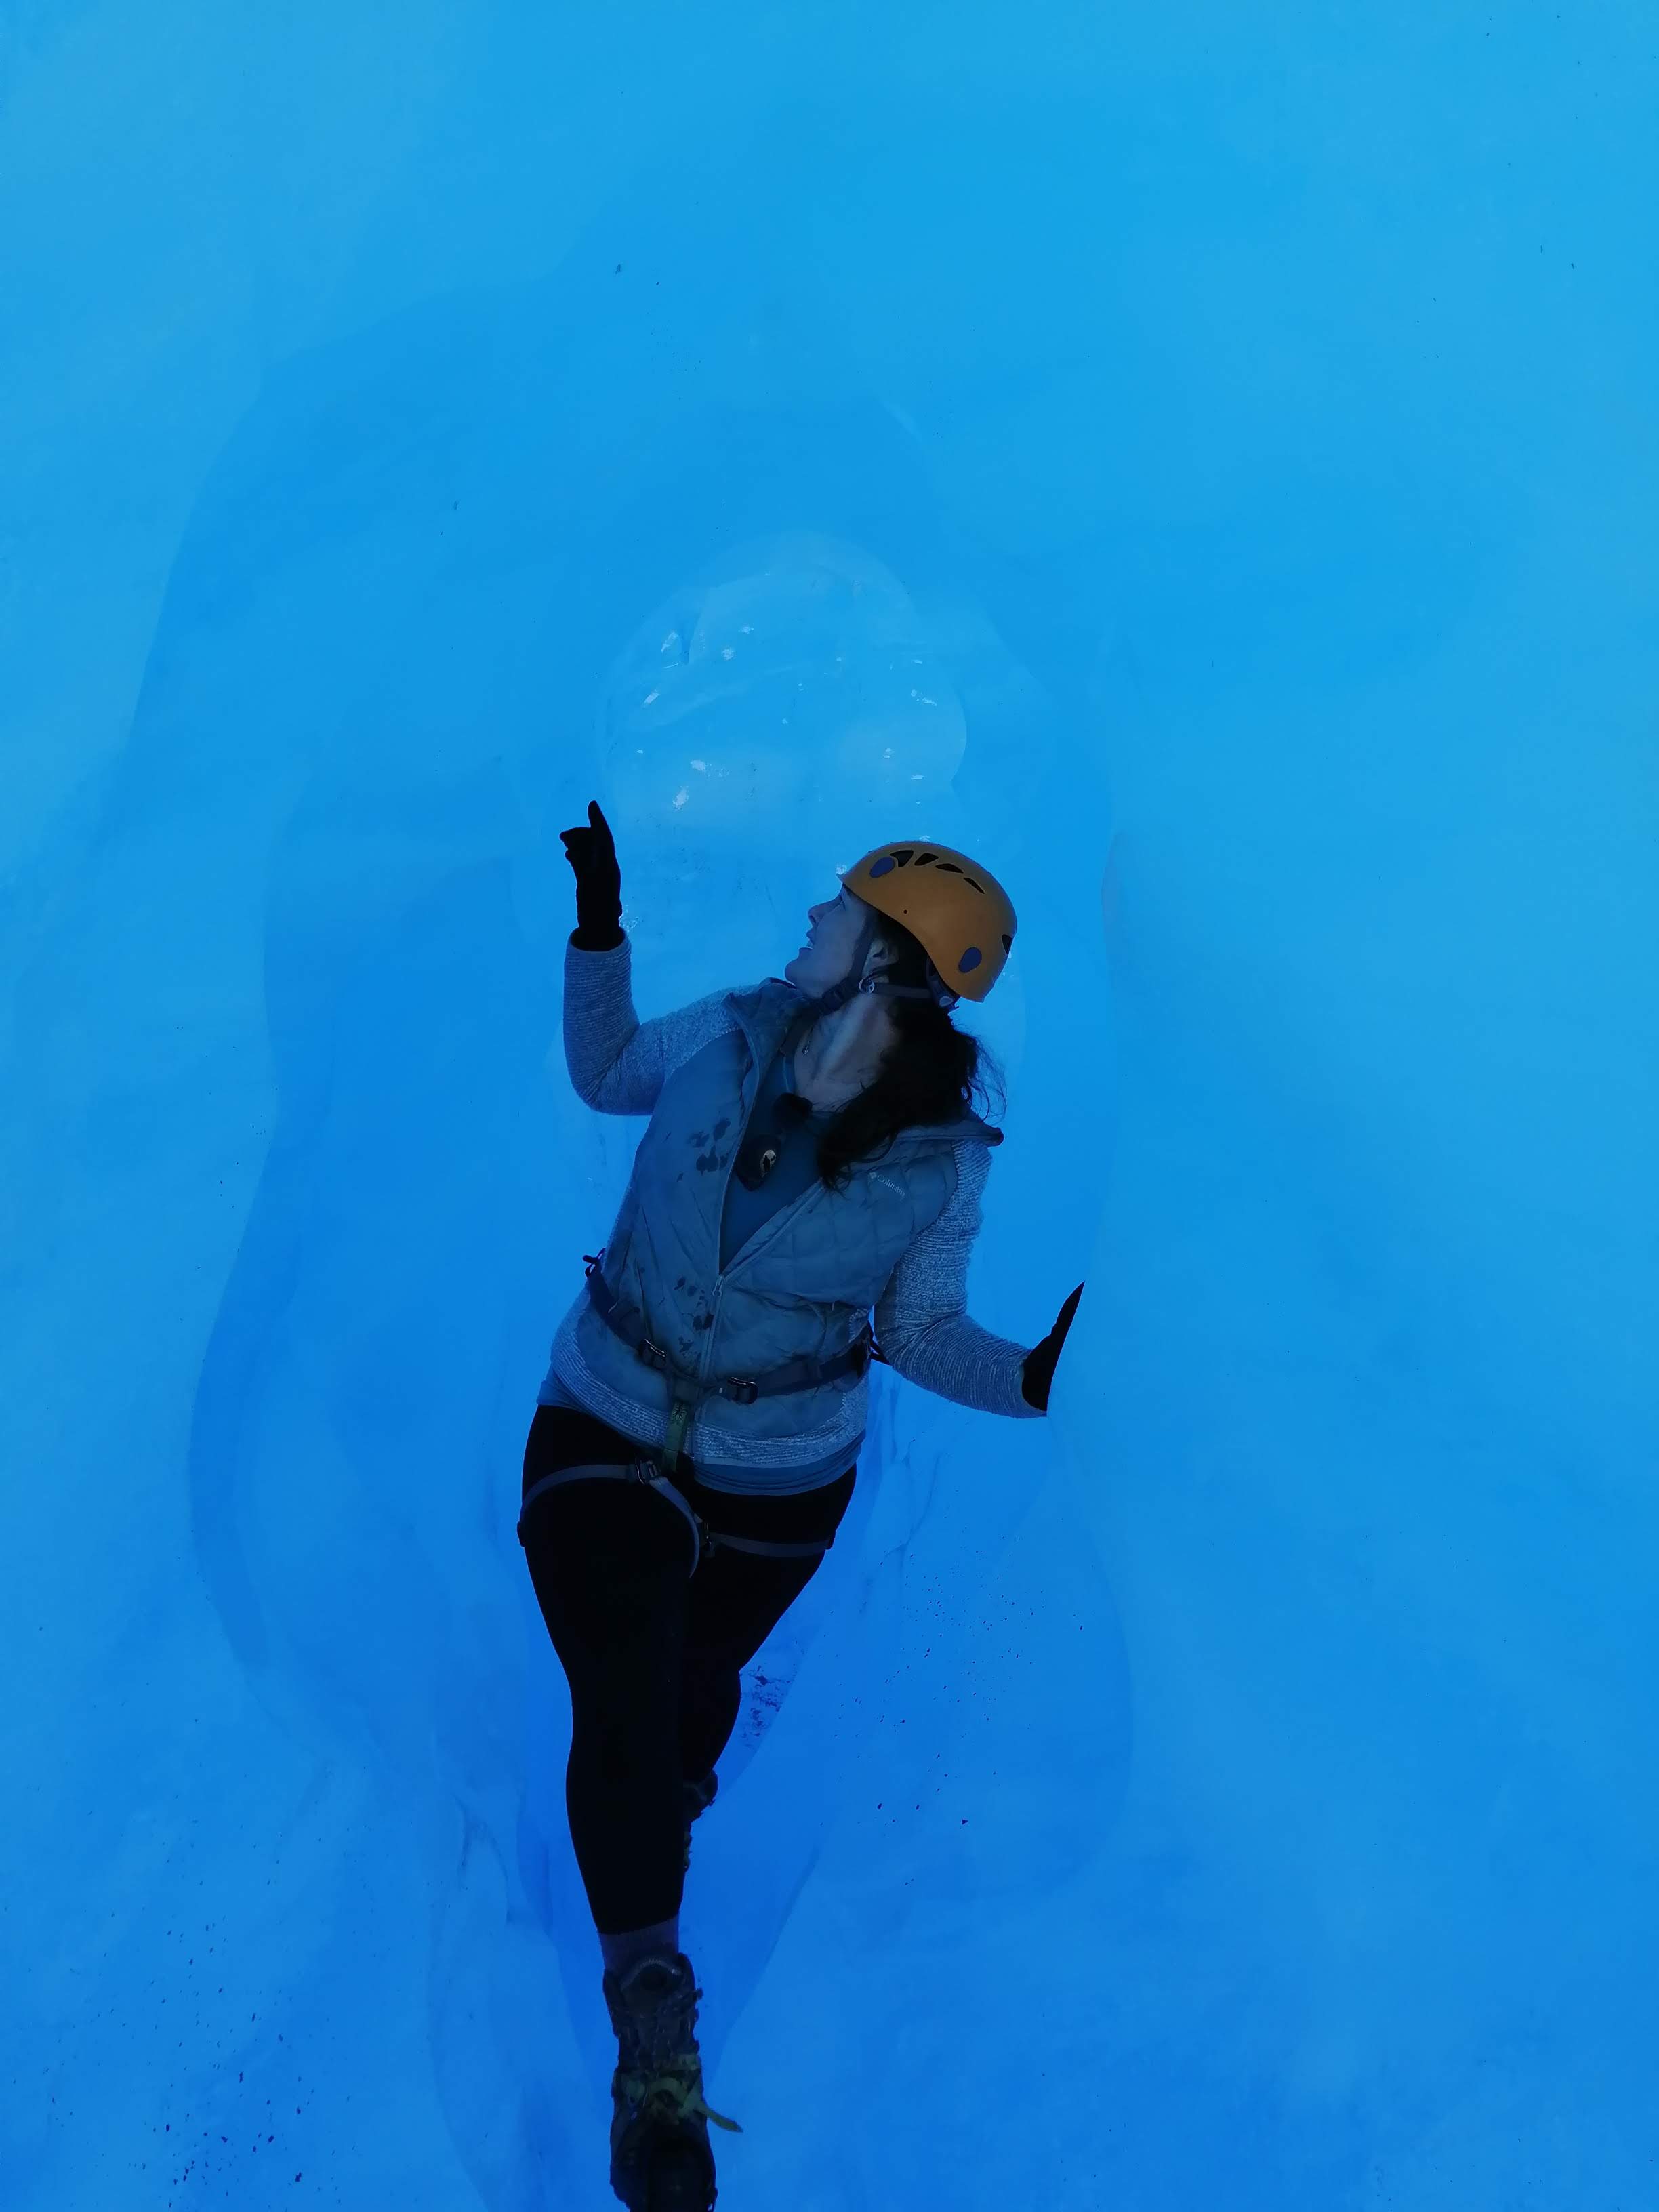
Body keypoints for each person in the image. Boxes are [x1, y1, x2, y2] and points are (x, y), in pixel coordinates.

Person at [520, 801, 1084, 2212]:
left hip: (780, 1482)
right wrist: (602, 925)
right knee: (631, 1697)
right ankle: (655, 2040)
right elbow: (603, 1073)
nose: (808, 923)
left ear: (889, 967)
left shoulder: (943, 1162)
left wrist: (1033, 1380)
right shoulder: (726, 1027)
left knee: (688, 1696)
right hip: (604, 1411)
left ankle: (661, 1815)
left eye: (837, 914)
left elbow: (917, 1331)